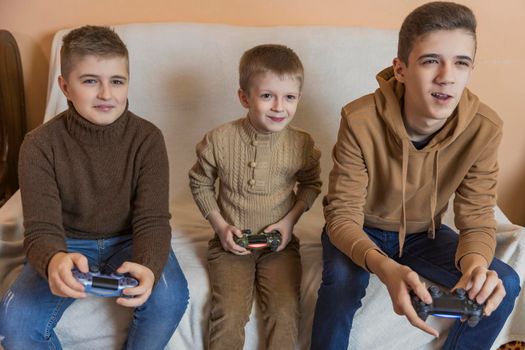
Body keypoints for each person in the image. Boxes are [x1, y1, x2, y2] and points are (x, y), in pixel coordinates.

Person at [311, 2, 521, 350]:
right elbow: (342, 216)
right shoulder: (359, 118)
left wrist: (474, 267)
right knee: (342, 287)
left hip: (424, 234)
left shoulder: (484, 127)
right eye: (430, 61)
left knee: (506, 282)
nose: (447, 76)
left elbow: (477, 216)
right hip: (361, 227)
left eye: (461, 63)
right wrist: (385, 267)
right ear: (401, 68)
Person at [0, 25, 189, 349]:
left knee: (170, 298)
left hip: (129, 240)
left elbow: (152, 219)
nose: (106, 94)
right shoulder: (39, 145)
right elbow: (41, 228)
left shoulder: (147, 139)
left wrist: (148, 265)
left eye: (117, 81)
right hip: (67, 242)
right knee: (14, 323)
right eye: (90, 81)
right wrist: (53, 260)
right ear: (65, 86)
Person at [189, 44, 322, 350]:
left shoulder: (302, 144)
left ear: (299, 98)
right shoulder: (219, 140)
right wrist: (221, 227)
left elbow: (311, 184)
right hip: (231, 245)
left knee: (285, 311)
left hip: (280, 246)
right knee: (229, 313)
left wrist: (290, 222)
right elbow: (200, 183)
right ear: (244, 97)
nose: (279, 107)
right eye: (267, 96)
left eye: (289, 97)